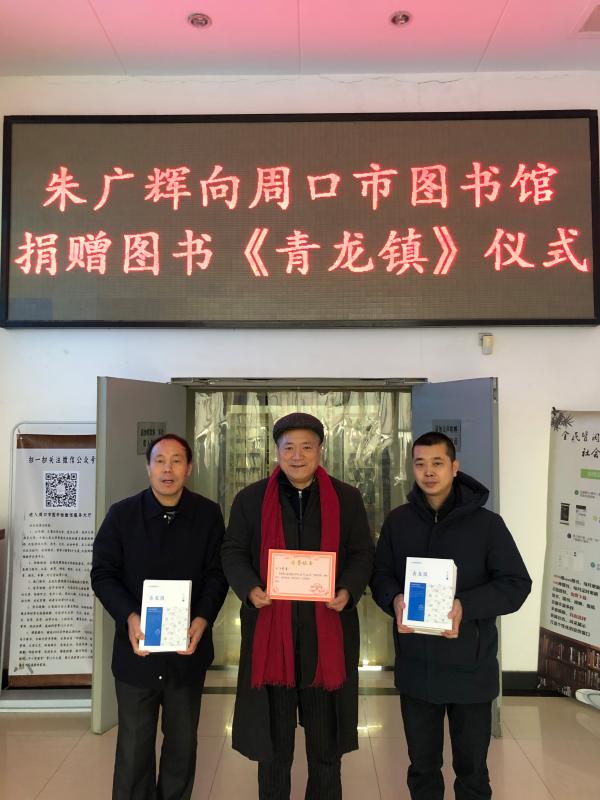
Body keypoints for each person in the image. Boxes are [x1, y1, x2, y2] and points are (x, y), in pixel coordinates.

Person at [221, 412, 374, 800]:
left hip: (327, 641)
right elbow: (232, 551)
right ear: (276, 452)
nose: (297, 455)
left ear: (321, 450)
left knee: (326, 750)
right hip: (272, 640)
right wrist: (250, 588)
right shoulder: (251, 500)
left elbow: (362, 553)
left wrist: (348, 590)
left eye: (307, 447)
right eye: (288, 447)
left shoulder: (346, 498)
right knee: (274, 752)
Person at [371, 431, 531, 800]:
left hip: (470, 668)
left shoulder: (487, 525)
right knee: (422, 767)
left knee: (472, 770)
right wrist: (394, 599)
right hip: (417, 666)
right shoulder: (398, 522)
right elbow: (380, 575)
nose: (428, 472)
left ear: (454, 467)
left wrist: (465, 606)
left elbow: (515, 584)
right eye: (420, 464)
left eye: (437, 463)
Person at [91, 433, 229, 800]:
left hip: (187, 649)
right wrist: (128, 616)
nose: (168, 469)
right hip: (138, 650)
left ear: (189, 468)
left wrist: (203, 618)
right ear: (148, 467)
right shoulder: (122, 515)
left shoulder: (207, 515)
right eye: (160, 461)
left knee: (182, 745)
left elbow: (217, 575)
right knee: (134, 747)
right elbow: (103, 574)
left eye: (177, 461)